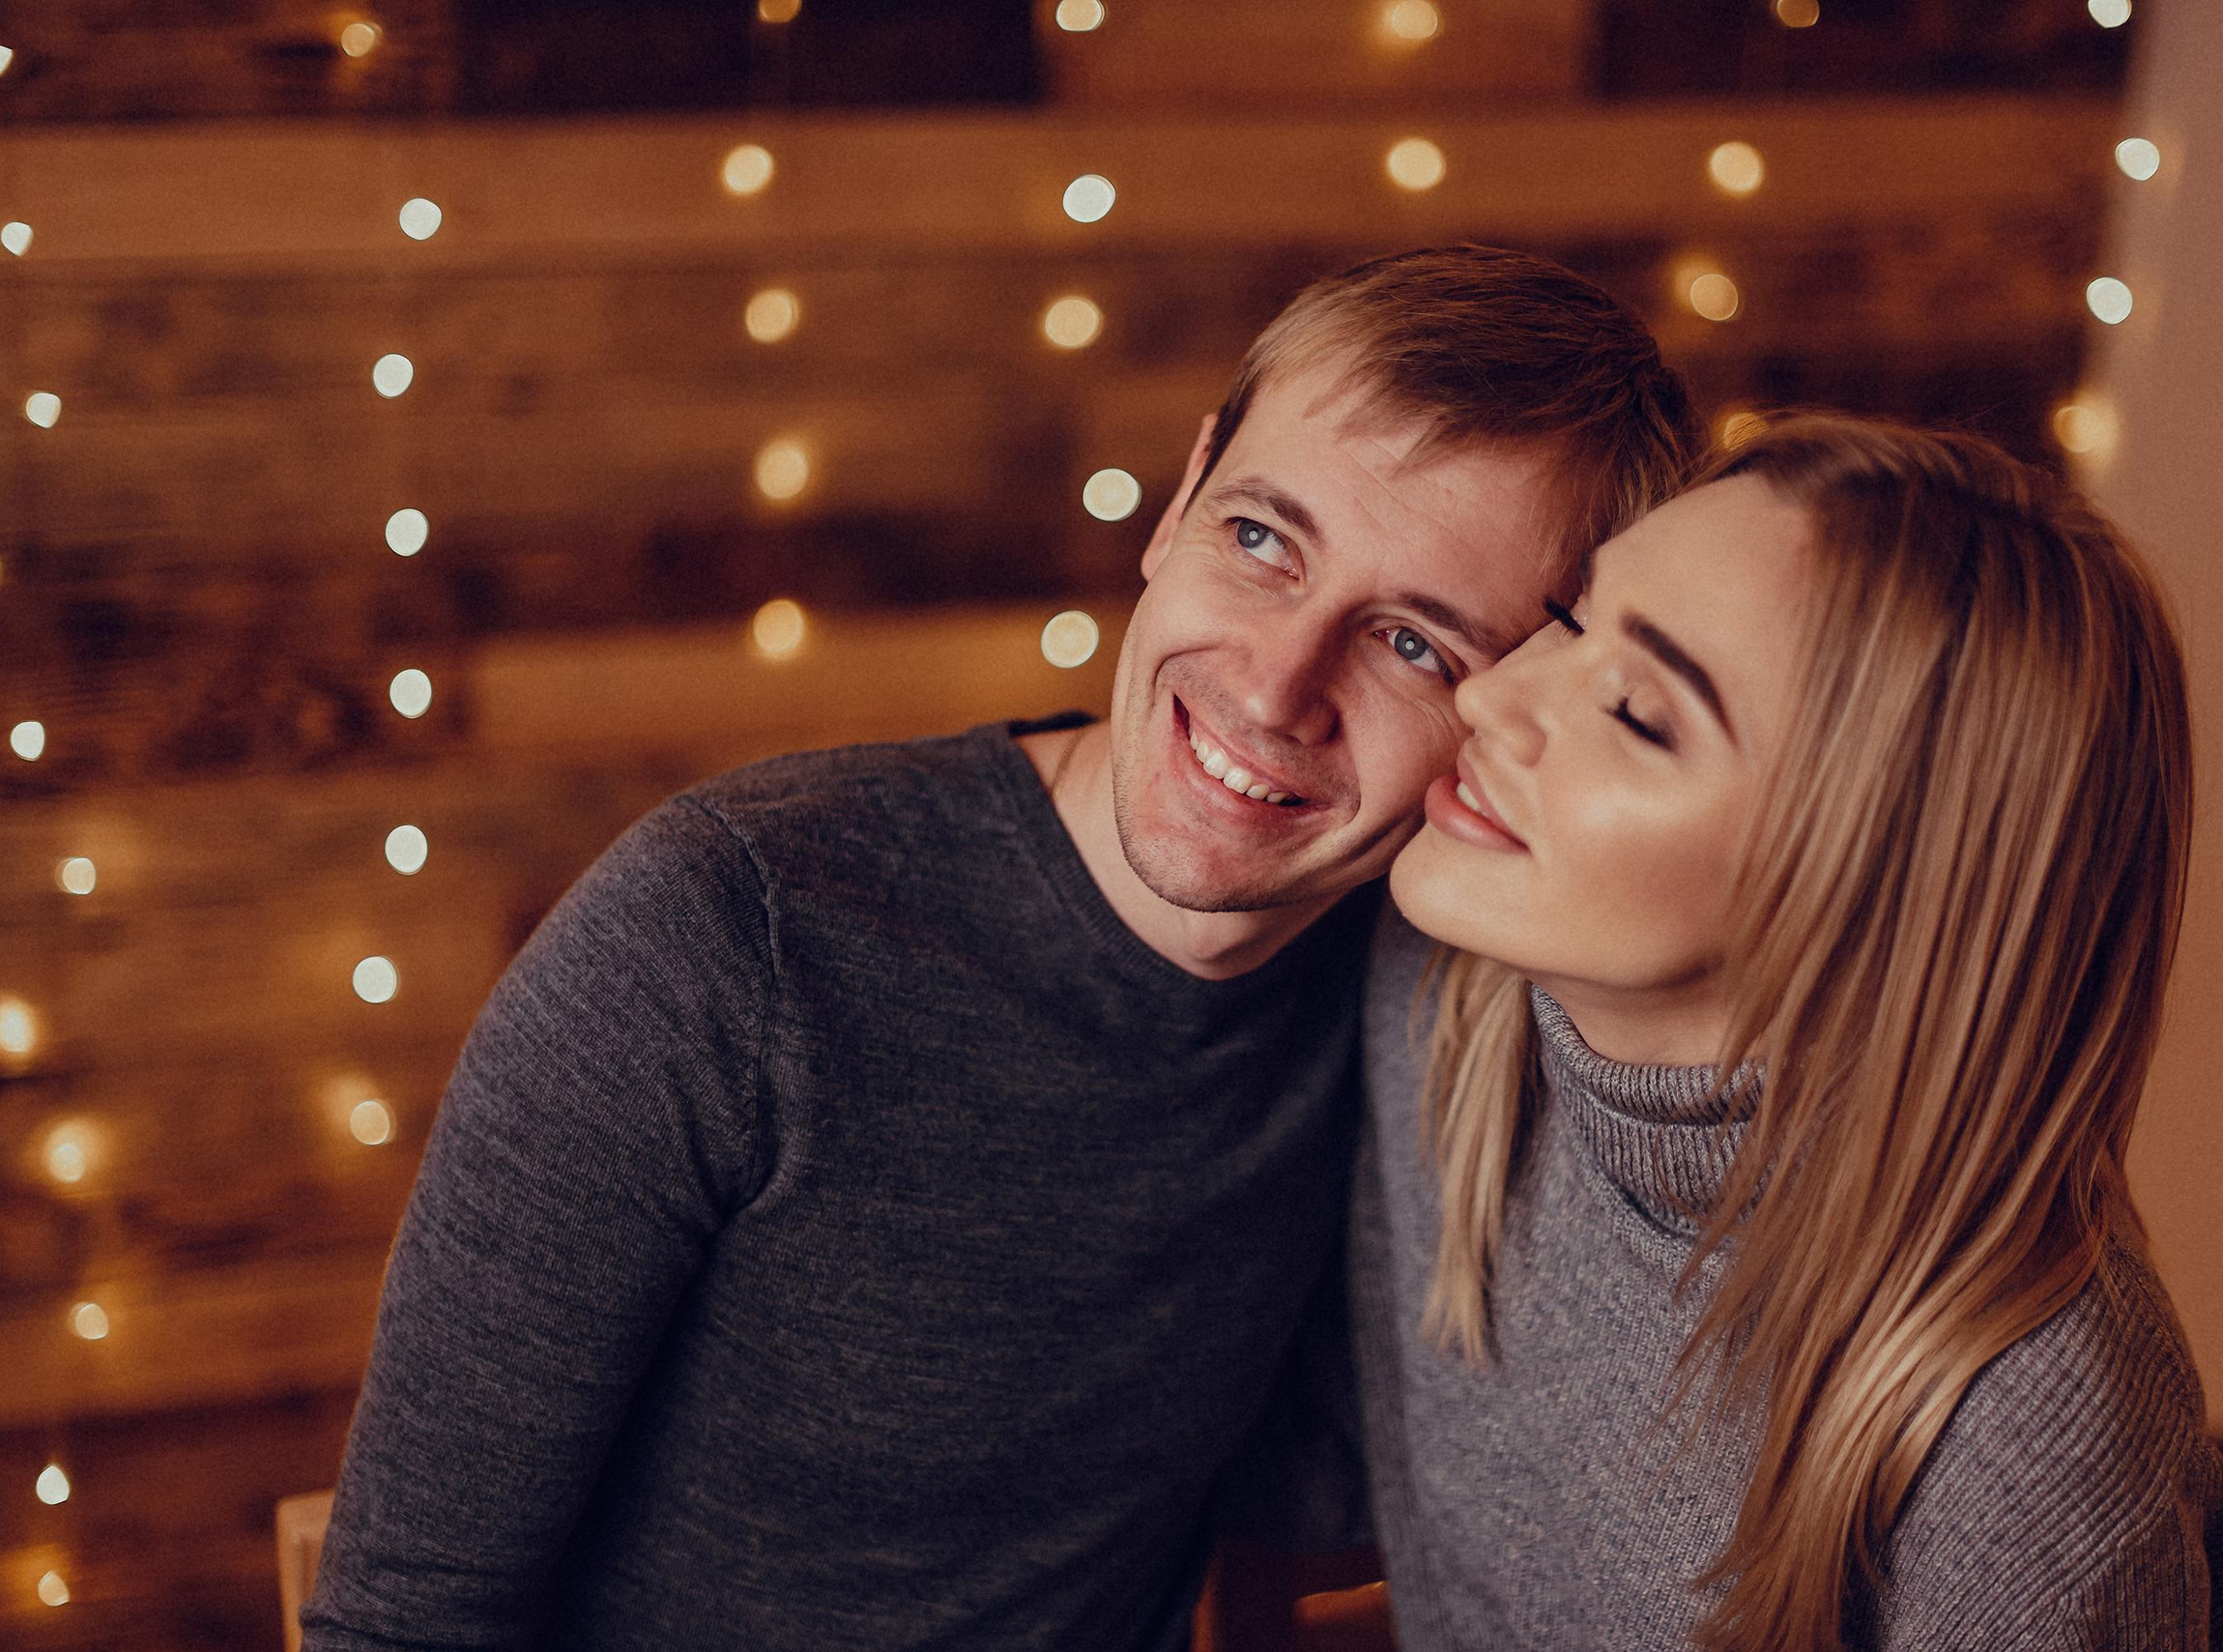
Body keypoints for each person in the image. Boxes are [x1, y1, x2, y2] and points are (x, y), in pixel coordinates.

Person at [297, 246, 1702, 1652]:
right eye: (1262, 539)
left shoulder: (1415, 1000)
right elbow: (404, 1623)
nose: (1277, 688)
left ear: (1517, 711)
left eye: (1412, 645)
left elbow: (1334, 1482)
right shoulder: (724, 938)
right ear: (1182, 497)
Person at [1351, 416, 2223, 1650]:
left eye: (1636, 710)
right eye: (1571, 618)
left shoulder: (2029, 1459)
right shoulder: (1444, 998)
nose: (1488, 691)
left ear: (1875, 889)